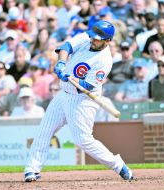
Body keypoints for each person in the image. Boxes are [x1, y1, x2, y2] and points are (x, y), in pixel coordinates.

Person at [24, 20, 134, 182]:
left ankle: (118, 165)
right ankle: (32, 169)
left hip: (83, 100)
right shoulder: (87, 37)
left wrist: (71, 78)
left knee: (83, 141)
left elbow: (86, 86)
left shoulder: (104, 60)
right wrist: (61, 63)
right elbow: (66, 47)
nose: (93, 40)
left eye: (98, 39)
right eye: (93, 37)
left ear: (107, 41)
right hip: (63, 94)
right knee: (44, 130)